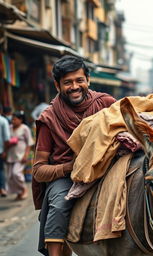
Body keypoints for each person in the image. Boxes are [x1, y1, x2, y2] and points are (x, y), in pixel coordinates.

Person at [32, 55, 116, 256]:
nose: (75, 86)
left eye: (79, 80)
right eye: (67, 82)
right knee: (60, 204)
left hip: (106, 170)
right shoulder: (49, 118)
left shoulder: (106, 104)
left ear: (88, 80)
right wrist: (70, 167)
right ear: (57, 85)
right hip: (66, 178)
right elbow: (38, 170)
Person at [6, 110, 34, 200]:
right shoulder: (9, 128)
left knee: (16, 173)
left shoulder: (25, 128)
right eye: (12, 119)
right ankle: (19, 193)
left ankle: (24, 189)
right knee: (10, 176)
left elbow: (29, 143)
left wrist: (26, 155)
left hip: (21, 155)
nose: (13, 121)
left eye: (15, 119)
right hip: (11, 155)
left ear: (20, 120)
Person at [0, 103, 10, 197]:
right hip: (1, 150)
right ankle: (2, 189)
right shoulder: (3, 121)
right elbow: (7, 138)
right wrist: (6, 151)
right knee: (1, 169)